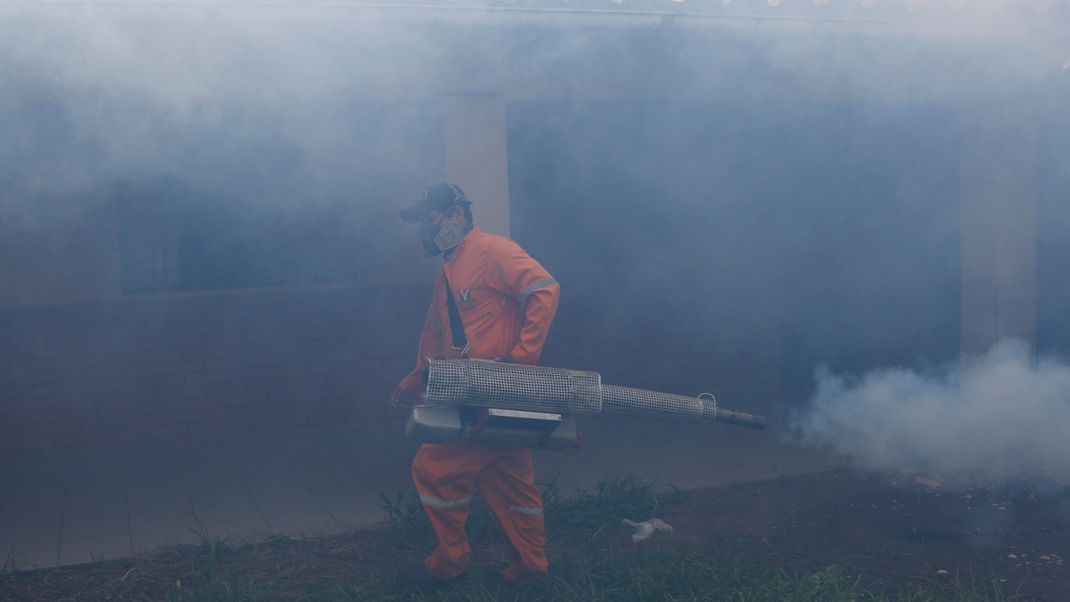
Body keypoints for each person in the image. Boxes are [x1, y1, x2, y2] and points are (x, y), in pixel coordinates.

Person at [390, 182, 560, 587]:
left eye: (431, 221)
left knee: (433, 469)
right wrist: (415, 380)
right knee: (509, 483)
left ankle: (449, 565)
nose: (427, 232)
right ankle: (532, 570)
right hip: (471, 391)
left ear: (459, 215)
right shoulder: (448, 271)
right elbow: (434, 335)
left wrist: (523, 357)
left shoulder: (494, 251)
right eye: (423, 224)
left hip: (494, 390)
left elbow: (544, 290)